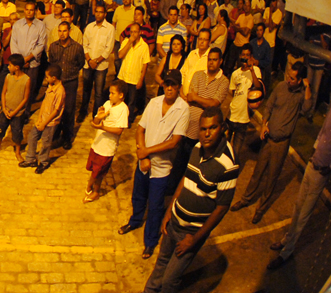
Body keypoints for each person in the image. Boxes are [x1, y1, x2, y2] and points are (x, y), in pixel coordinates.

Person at [142, 107, 237, 293]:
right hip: (174, 222)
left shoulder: (228, 165)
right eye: (203, 129)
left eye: (212, 128)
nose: (207, 134)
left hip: (190, 233)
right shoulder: (197, 148)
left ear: (222, 128)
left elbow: (222, 208)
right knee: (161, 263)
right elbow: (186, 177)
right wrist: (169, 211)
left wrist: (194, 239)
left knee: (170, 280)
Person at [269, 82, 331, 269]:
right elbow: (323, 132)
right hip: (313, 163)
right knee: (298, 206)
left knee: (304, 215)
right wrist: (314, 149)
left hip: (322, 171)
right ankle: (286, 239)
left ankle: (286, 252)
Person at [231, 62, 314, 224]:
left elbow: (307, 109)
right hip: (268, 139)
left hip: (281, 143)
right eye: (288, 75)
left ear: (300, 80)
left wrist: (308, 87)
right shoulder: (281, 87)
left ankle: (260, 209)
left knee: (271, 177)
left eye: (292, 78)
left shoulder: (300, 96)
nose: (288, 79)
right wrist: (264, 124)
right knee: (258, 172)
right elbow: (268, 106)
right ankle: (246, 199)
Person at [120, 73, 191, 260]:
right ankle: (135, 221)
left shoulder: (183, 109)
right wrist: (142, 154)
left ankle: (150, 241)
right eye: (167, 84)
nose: (169, 88)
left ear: (179, 87)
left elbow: (174, 142)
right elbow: (140, 129)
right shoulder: (154, 103)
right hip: (144, 162)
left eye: (173, 85)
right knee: (138, 196)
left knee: (156, 205)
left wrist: (146, 152)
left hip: (161, 167)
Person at [169, 48, 228, 196]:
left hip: (203, 134)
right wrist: (202, 100)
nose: (211, 62)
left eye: (214, 60)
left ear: (220, 61)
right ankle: (171, 193)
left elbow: (214, 104)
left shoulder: (224, 81)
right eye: (209, 59)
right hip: (188, 129)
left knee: (194, 168)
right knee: (179, 163)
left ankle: (186, 194)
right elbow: (190, 97)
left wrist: (197, 98)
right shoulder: (198, 75)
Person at [86, 79, 129, 203]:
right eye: (109, 93)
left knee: (99, 172)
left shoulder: (123, 109)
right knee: (93, 169)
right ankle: (92, 187)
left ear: (121, 95)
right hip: (98, 143)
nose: (110, 96)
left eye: (112, 93)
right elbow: (95, 123)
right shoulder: (107, 104)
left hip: (107, 148)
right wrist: (98, 118)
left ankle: (94, 190)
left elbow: (119, 130)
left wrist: (103, 127)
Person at [19, 64, 65, 174]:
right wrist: (40, 118)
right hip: (42, 119)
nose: (46, 79)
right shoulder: (50, 86)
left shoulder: (60, 91)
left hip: (50, 122)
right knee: (32, 136)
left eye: (47, 77)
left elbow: (56, 110)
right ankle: (30, 159)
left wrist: (45, 123)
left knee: (45, 143)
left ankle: (44, 162)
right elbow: (44, 103)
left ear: (54, 77)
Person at [49, 21, 85, 149]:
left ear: (69, 31)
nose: (62, 34)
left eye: (64, 31)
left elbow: (80, 63)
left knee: (69, 110)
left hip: (70, 82)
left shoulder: (77, 47)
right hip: (58, 83)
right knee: (56, 109)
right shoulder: (53, 46)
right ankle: (55, 135)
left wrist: (72, 72)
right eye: (60, 31)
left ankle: (67, 138)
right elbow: (52, 63)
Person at [0, 54, 30, 160]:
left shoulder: (26, 80)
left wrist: (15, 112)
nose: (8, 67)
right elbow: (3, 92)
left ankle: (18, 152)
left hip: (18, 113)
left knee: (17, 132)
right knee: (0, 128)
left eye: (10, 65)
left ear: (17, 67)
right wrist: (4, 108)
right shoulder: (8, 77)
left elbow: (25, 98)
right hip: (5, 110)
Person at [80, 4, 115, 121]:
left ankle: (96, 115)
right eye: (97, 12)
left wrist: (96, 61)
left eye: (101, 12)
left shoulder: (110, 29)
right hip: (88, 64)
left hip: (101, 66)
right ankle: (83, 112)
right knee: (86, 89)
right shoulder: (89, 27)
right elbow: (84, 44)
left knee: (99, 92)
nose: (98, 14)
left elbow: (108, 49)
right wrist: (89, 60)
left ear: (105, 14)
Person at [9, 1, 47, 107]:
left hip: (33, 63)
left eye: (31, 10)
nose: (29, 12)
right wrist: (21, 61)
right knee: (17, 88)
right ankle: (16, 109)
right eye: (27, 10)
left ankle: (26, 111)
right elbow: (13, 43)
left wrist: (28, 58)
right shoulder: (17, 25)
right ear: (24, 10)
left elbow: (41, 44)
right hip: (19, 64)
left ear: (35, 11)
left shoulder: (40, 25)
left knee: (30, 89)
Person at [227, 51, 260, 160]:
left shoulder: (255, 70)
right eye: (243, 55)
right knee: (225, 147)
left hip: (243, 118)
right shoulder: (235, 74)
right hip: (231, 115)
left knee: (236, 151)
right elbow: (233, 93)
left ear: (251, 57)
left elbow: (258, 86)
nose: (245, 57)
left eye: (247, 55)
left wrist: (252, 70)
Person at [117, 23, 151, 125]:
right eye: (131, 32)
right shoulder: (126, 42)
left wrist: (141, 80)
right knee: (121, 99)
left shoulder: (144, 46)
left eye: (135, 32)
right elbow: (120, 55)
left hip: (134, 78)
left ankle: (128, 120)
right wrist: (129, 43)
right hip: (123, 77)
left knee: (131, 102)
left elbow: (145, 64)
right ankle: (119, 118)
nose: (133, 34)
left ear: (140, 32)